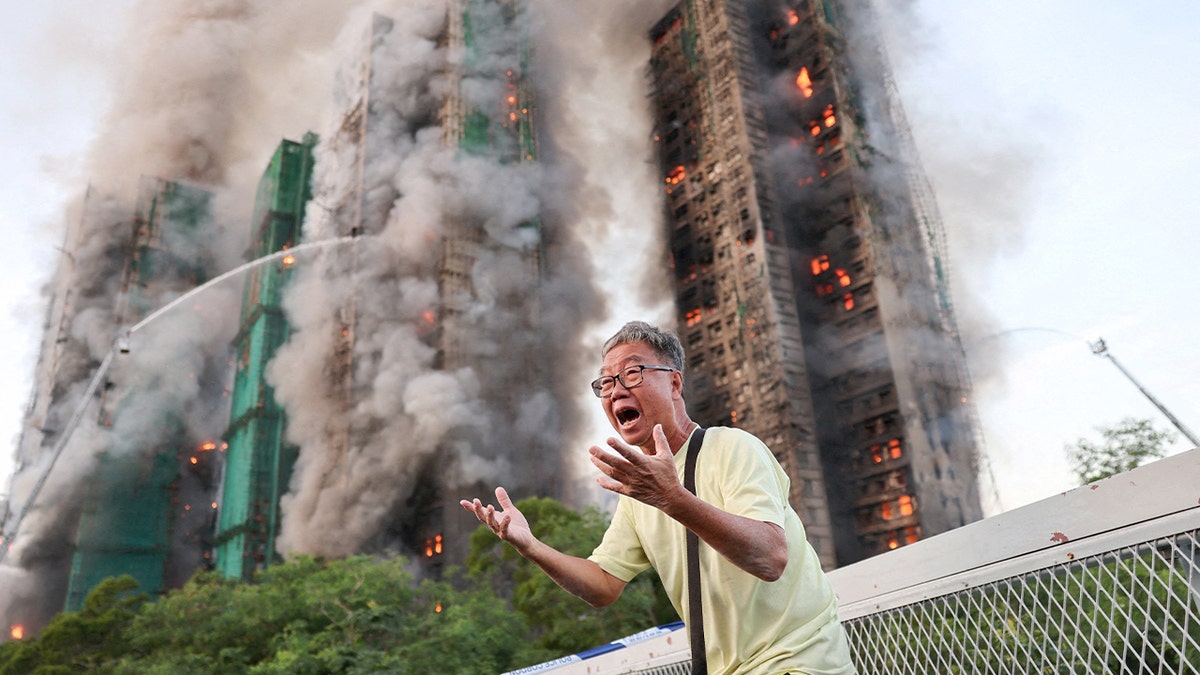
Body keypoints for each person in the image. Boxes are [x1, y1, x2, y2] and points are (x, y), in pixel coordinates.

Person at [461, 321, 856, 674]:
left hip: (797, 663)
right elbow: (603, 584)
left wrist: (672, 498)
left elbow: (770, 558)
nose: (616, 390)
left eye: (632, 373)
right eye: (606, 382)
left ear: (674, 384)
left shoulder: (732, 448)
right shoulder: (640, 493)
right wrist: (530, 546)